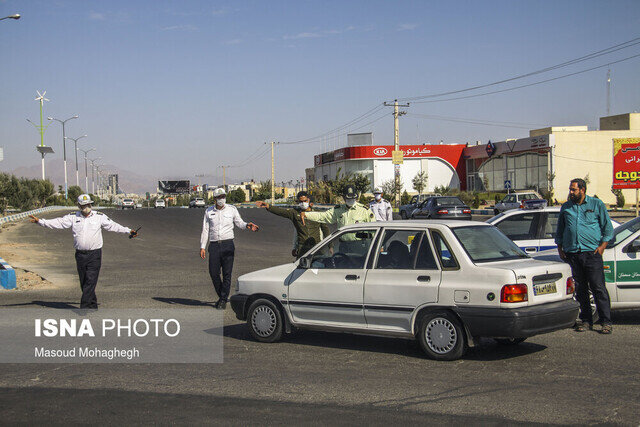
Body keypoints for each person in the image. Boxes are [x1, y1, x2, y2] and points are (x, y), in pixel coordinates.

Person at [28, 194, 138, 309]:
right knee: (84, 282)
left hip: (94, 254)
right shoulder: (73, 217)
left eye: (88, 204)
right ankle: (92, 305)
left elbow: (113, 226)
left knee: (90, 280)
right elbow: (58, 223)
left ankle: (84, 308)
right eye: (84, 205)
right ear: (79, 206)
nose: (87, 206)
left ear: (91, 204)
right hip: (80, 255)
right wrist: (40, 221)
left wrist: (128, 231)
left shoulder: (99, 216)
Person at [555, 178, 614, 334]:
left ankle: (606, 321)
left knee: (598, 287)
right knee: (580, 289)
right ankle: (586, 320)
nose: (571, 192)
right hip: (573, 253)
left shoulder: (596, 204)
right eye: (570, 189)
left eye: (573, 189)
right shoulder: (566, 207)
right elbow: (560, 229)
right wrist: (560, 247)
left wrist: (602, 247)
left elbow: (608, 229)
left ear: (582, 190)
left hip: (592, 254)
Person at [200, 187, 259, 309]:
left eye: (223, 197)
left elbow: (239, 222)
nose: (222, 199)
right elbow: (205, 230)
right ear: (215, 199)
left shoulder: (232, 209)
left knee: (227, 273)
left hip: (228, 244)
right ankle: (222, 295)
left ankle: (222, 299)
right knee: (213, 273)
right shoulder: (208, 211)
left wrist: (247, 225)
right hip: (214, 245)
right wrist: (202, 247)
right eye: (219, 197)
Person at [300, 184, 374, 253]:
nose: (351, 200)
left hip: (359, 246)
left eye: (353, 198)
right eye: (348, 198)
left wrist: (379, 246)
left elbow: (374, 230)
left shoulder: (364, 210)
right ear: (344, 197)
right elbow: (323, 216)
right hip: (344, 246)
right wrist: (306, 215)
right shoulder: (338, 210)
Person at [255, 191, 330, 258]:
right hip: (302, 247)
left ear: (309, 200)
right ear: (298, 202)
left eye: (305, 201)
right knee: (300, 268)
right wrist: (268, 206)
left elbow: (325, 229)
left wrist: (330, 246)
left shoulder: (318, 213)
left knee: (318, 268)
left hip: (316, 246)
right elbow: (281, 211)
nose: (303, 203)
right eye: (301, 202)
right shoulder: (294, 213)